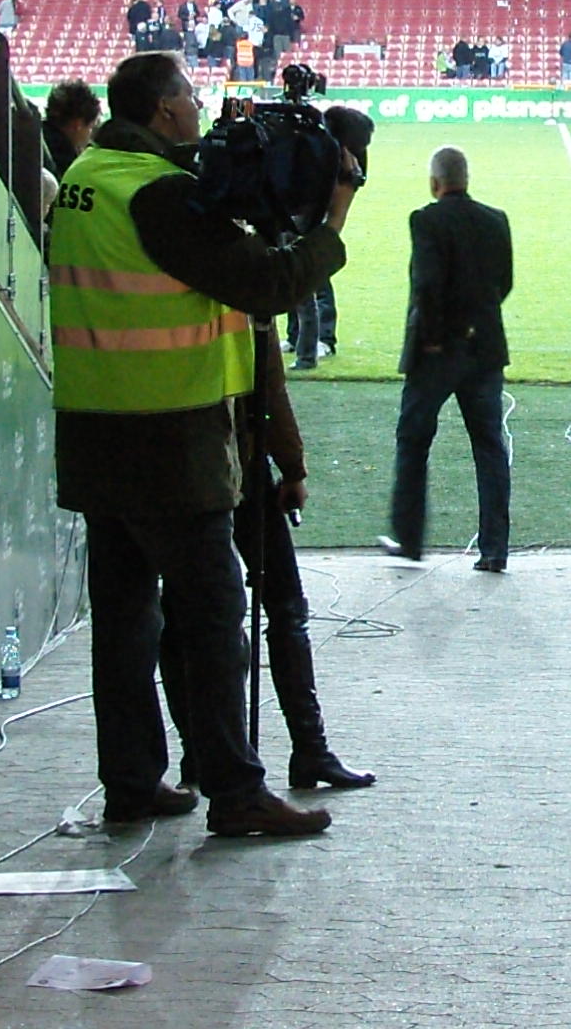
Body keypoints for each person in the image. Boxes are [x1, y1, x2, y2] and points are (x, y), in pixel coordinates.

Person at [50, 51, 358, 836]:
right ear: (163, 108)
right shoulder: (158, 195)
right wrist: (333, 220)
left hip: (94, 431)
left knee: (126, 622)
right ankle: (235, 790)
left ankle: (131, 783)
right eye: (188, 94)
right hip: (169, 437)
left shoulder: (90, 174)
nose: (196, 105)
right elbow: (265, 283)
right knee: (215, 616)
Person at [159, 317, 374, 793]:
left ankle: (201, 755)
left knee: (185, 615)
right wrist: (293, 468)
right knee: (283, 608)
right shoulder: (246, 294)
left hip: (185, 466)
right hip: (236, 462)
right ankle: (308, 749)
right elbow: (269, 389)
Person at [382, 146, 513, 571]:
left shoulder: (426, 220)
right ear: (466, 179)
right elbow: (504, 283)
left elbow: (427, 284)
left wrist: (437, 337)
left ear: (434, 182)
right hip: (485, 348)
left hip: (436, 354)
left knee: (413, 440)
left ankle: (409, 540)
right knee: (489, 447)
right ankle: (494, 549)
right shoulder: (496, 220)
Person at [41, 76, 102, 180]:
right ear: (77, 125)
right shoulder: (65, 161)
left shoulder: (36, 136)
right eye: (91, 127)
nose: (90, 138)